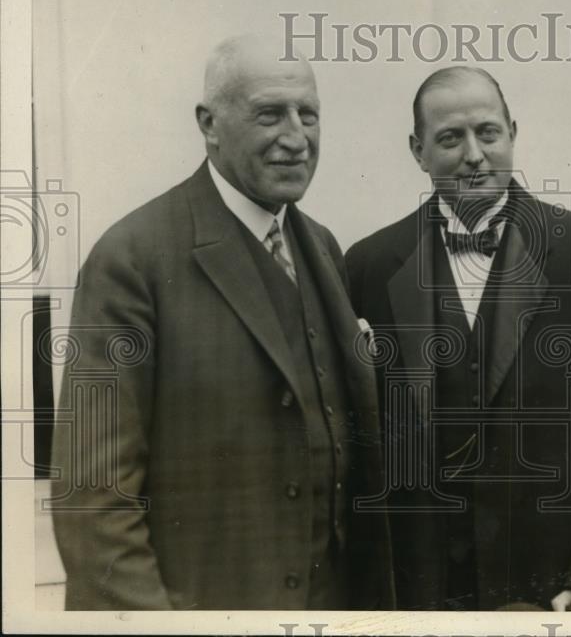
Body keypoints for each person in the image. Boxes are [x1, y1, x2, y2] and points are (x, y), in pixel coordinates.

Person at [50, 34, 394, 610]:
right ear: (209, 123)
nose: (295, 137)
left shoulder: (325, 249)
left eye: (308, 114)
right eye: (269, 114)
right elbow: (94, 498)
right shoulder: (133, 258)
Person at [345, 66, 571, 611]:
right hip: (421, 595)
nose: (473, 154)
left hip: (559, 589)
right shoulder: (369, 266)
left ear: (512, 131)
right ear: (418, 151)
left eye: (487, 132)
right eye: (450, 138)